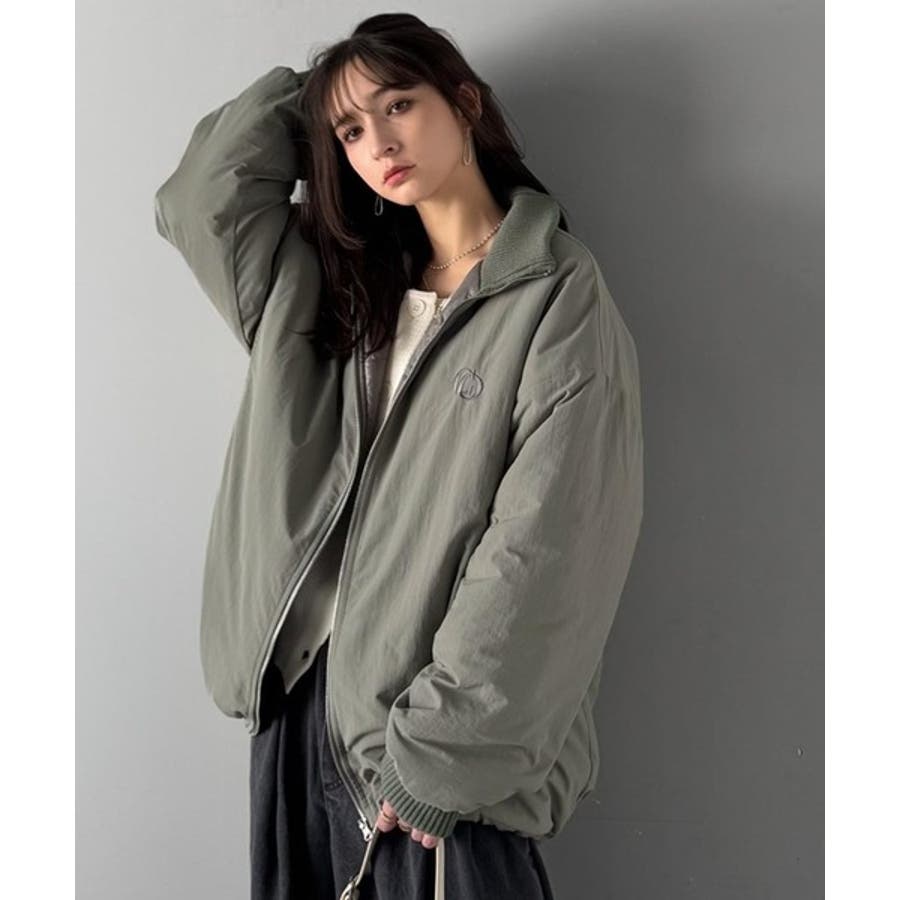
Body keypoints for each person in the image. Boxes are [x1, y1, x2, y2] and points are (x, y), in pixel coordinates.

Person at [153, 12, 644, 900]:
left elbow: (549, 551)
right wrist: (315, 101)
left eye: (399, 105)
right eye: (350, 131)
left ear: (465, 105)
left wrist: (440, 756)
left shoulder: (555, 297)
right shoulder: (329, 285)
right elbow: (198, 199)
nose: (378, 142)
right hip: (298, 709)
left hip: (430, 747)